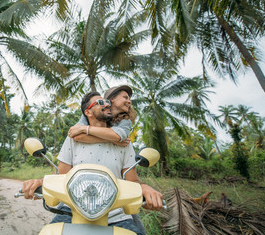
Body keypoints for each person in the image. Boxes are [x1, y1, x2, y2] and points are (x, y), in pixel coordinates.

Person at [22, 91, 163, 235]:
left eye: (107, 102)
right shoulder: (73, 139)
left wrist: (144, 188)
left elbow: (132, 180)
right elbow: (61, 175)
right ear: (88, 112)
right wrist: (40, 181)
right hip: (71, 209)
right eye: (101, 102)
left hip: (115, 213)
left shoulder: (124, 142)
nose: (107, 105)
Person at [68, 85, 136, 147]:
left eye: (129, 99)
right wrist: (112, 140)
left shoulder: (126, 119)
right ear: (112, 98)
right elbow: (76, 135)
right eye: (125, 98)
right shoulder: (92, 113)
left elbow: (118, 136)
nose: (129, 101)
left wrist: (85, 129)